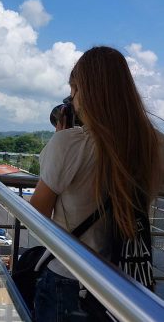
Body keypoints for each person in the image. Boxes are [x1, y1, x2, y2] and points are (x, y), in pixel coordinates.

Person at [30, 46, 164, 321]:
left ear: (87, 93)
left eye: (75, 90)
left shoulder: (69, 143)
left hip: (67, 280)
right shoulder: (154, 145)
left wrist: (61, 140)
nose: (73, 99)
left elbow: (37, 213)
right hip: (121, 284)